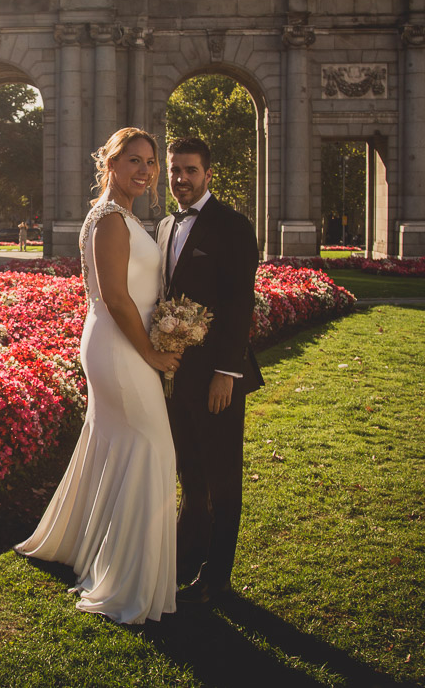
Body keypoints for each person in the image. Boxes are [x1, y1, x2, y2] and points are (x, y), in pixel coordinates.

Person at [17, 127, 183, 624]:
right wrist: (153, 355)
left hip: (116, 340)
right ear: (110, 164)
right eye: (133, 160)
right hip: (120, 344)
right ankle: (125, 578)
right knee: (154, 447)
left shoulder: (123, 216)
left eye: (150, 162)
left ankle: (91, 549)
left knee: (119, 445)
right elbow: (115, 297)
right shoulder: (111, 220)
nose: (145, 171)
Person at [157, 137, 263, 607]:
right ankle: (187, 558)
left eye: (190, 171)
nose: (181, 179)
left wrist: (227, 371)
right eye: (175, 170)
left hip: (217, 376)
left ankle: (217, 575)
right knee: (190, 472)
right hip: (174, 374)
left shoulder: (233, 226)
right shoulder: (163, 226)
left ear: (209, 174)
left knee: (222, 478)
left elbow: (240, 302)